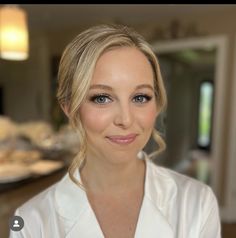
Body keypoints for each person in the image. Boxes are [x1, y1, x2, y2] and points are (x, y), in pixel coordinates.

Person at [9, 24, 221, 238]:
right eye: (102, 98)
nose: (126, 120)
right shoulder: (30, 223)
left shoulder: (197, 204)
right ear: (70, 109)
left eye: (140, 97)